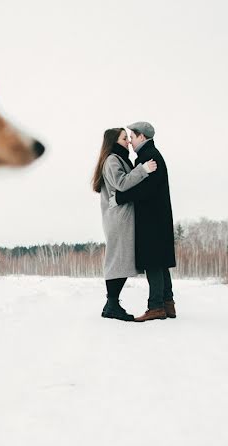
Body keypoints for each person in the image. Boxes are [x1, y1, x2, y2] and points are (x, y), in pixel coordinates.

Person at [91, 127, 158, 321]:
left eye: (129, 138)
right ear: (114, 141)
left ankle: (111, 304)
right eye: (124, 138)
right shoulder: (112, 160)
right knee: (117, 260)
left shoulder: (118, 159)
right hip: (118, 219)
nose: (128, 142)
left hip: (121, 217)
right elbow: (121, 183)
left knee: (120, 260)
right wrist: (143, 169)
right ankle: (112, 304)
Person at [116, 121, 176, 322]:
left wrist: (120, 197)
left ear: (142, 136)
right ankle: (168, 303)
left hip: (152, 218)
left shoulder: (149, 156)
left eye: (132, 137)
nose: (130, 142)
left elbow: (146, 190)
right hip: (158, 217)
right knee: (160, 261)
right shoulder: (151, 154)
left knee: (153, 262)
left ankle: (156, 307)